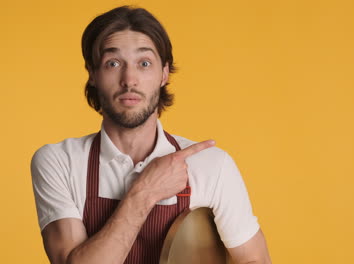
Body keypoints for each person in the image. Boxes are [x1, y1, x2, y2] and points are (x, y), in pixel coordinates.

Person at [31, 5, 271, 264]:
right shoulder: (59, 161)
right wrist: (145, 192)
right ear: (92, 74)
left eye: (144, 63)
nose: (129, 79)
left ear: (164, 74)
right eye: (113, 63)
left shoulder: (211, 165)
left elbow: (254, 260)